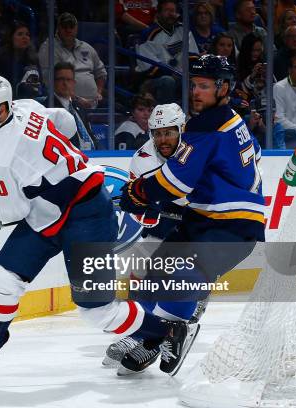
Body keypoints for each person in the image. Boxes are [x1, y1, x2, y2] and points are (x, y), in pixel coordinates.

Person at [0, 75, 183, 377]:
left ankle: (166, 331)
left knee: (97, 310)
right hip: (46, 215)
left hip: (88, 215)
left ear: (2, 109)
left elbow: (11, 209)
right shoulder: (27, 107)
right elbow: (65, 121)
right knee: (5, 278)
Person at [113, 54, 265, 375]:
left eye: (205, 86)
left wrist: (138, 193)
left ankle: (177, 329)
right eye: (194, 85)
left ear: (223, 87)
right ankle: (156, 338)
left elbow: (174, 181)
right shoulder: (231, 118)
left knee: (184, 272)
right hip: (210, 217)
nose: (196, 91)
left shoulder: (206, 126)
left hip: (229, 225)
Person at [103, 103, 187, 369]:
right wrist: (147, 215)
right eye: (157, 133)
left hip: (199, 212)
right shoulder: (142, 158)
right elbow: (135, 203)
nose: (162, 139)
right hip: (166, 213)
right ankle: (141, 327)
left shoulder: (197, 150)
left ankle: (181, 315)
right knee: (140, 262)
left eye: (169, 133)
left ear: (182, 130)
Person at [135, 0, 199, 104]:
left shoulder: (184, 31)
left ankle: (192, 116)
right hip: (152, 81)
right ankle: (166, 117)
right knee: (168, 81)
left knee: (196, 81)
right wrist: (174, 73)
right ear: (158, 14)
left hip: (180, 77)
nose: (171, 14)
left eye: (173, 11)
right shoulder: (149, 34)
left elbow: (193, 57)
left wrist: (183, 74)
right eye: (167, 10)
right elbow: (150, 68)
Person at [38, 12, 107, 108]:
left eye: (71, 26)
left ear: (76, 28)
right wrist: (77, 99)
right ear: (58, 29)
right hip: (66, 102)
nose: (68, 30)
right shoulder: (49, 48)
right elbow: (51, 82)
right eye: (65, 27)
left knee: (122, 111)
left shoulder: (86, 47)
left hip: (94, 102)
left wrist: (99, 92)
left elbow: (101, 73)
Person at [42, 61, 98, 150]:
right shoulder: (47, 107)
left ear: (74, 83)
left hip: (92, 156)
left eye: (68, 80)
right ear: (53, 82)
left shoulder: (79, 107)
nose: (65, 83)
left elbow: (90, 134)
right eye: (61, 79)